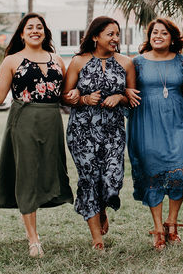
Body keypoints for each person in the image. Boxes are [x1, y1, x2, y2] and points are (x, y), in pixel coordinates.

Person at [0, 13, 74, 258]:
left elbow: (65, 95)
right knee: (26, 175)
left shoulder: (57, 59)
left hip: (51, 121)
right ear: (22, 33)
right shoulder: (12, 60)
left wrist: (79, 96)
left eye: (40, 27)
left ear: (45, 32)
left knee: (50, 172)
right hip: (23, 120)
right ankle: (33, 239)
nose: (35, 30)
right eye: (30, 27)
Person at [126, 18, 183, 250]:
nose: (158, 36)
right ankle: (158, 228)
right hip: (146, 121)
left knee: (180, 168)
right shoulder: (137, 62)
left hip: (178, 120)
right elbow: (128, 90)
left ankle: (172, 222)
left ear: (172, 37)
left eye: (163, 32)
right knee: (152, 172)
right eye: (154, 32)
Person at [62, 16, 135, 251]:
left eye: (117, 34)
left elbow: (134, 97)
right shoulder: (78, 62)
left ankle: (103, 206)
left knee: (112, 176)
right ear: (95, 36)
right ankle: (97, 239)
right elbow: (65, 96)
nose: (115, 39)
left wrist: (120, 97)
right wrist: (83, 98)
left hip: (113, 130)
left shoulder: (126, 63)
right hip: (82, 130)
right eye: (110, 34)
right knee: (89, 179)